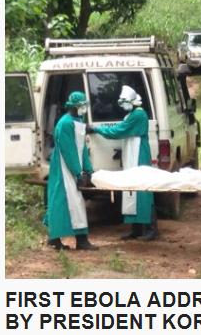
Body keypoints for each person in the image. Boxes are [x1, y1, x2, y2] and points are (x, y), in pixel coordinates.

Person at [86, 85, 158, 241]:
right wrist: (99, 128)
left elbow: (117, 131)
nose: (123, 106)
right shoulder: (133, 114)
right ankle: (137, 229)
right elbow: (119, 127)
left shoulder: (138, 115)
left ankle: (151, 229)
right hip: (133, 152)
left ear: (132, 101)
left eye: (124, 102)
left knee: (143, 190)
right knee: (131, 190)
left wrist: (96, 129)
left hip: (139, 154)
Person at [43, 91, 98, 251]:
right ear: (73, 106)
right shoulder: (65, 123)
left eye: (84, 105)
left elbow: (81, 149)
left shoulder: (78, 120)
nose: (84, 108)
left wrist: (88, 169)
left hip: (73, 168)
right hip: (64, 168)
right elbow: (69, 151)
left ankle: (71, 239)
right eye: (81, 106)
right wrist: (78, 172)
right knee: (63, 201)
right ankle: (69, 240)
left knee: (72, 202)